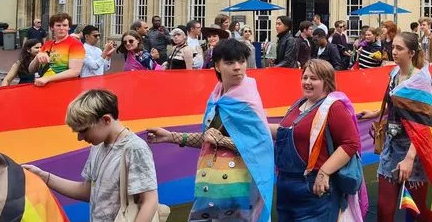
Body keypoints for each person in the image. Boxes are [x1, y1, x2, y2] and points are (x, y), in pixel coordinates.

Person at [147, 39, 274, 221]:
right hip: (211, 188)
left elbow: (260, 145)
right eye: (230, 62)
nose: (237, 67)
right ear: (217, 66)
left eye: (241, 61)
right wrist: (171, 137)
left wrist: (221, 140)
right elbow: (209, 138)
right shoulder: (216, 97)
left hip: (239, 190)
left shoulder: (247, 101)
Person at [358, 33, 432, 222]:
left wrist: (410, 159)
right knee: (384, 210)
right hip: (391, 147)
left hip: (413, 151)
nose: (394, 52)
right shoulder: (394, 73)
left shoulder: (421, 80)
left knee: (418, 211)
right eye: (393, 47)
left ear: (411, 52)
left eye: (399, 48)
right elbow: (396, 106)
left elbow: (425, 124)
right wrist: (375, 113)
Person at [23, 89, 159, 222]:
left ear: (106, 120)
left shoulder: (135, 149)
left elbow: (150, 201)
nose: (80, 138)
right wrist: (44, 177)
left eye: (83, 131)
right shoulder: (98, 146)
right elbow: (88, 191)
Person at [267, 59, 363, 221]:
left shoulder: (334, 107)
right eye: (305, 77)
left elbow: (351, 143)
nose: (307, 82)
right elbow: (286, 131)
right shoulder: (299, 104)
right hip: (286, 188)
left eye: (313, 78)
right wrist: (256, 126)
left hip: (314, 190)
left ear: (327, 81)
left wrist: (324, 172)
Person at [29, 12, 86, 87]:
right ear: (52, 27)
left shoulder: (76, 44)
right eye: (58, 25)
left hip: (65, 87)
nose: (61, 28)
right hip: (45, 86)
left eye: (65, 25)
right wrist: (37, 57)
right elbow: (31, 70)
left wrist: (48, 78)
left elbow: (75, 71)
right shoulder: (47, 44)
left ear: (69, 27)